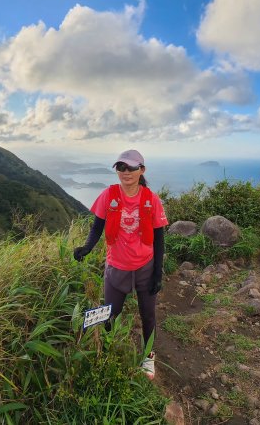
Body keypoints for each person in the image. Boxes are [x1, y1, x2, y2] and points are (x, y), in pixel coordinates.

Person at [73, 150, 168, 380]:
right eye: (121, 168)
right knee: (110, 314)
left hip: (145, 267)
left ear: (141, 171)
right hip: (116, 267)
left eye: (131, 168)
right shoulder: (109, 195)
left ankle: (149, 357)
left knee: (148, 316)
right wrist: (87, 248)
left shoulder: (151, 199)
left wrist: (157, 273)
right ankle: (106, 350)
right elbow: (97, 226)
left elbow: (159, 238)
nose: (126, 172)